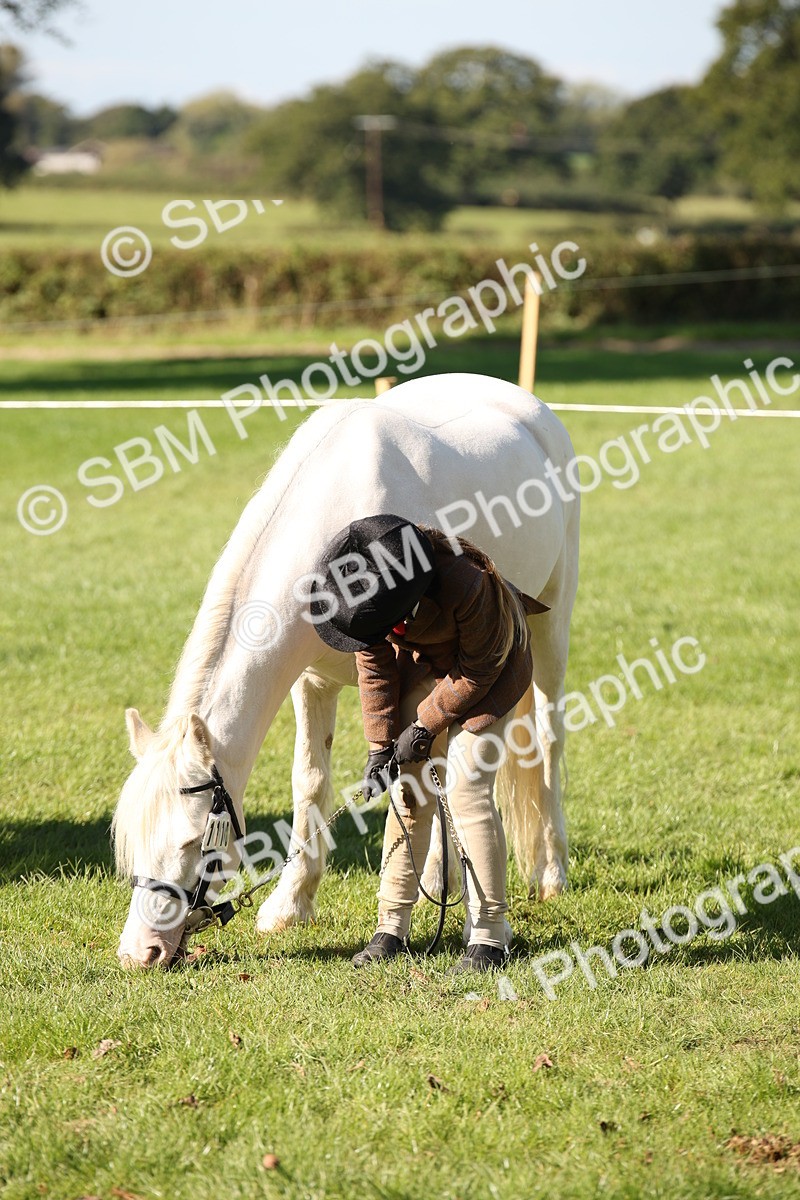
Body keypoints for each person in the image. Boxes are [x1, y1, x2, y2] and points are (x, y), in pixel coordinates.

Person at [309, 514, 548, 973]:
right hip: (429, 667)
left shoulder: (468, 583)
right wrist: (381, 747)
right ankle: (391, 926)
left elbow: (477, 672)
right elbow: (375, 668)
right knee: (408, 789)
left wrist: (422, 728)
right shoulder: (367, 599)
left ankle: (490, 934)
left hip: (491, 671)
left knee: (467, 787)